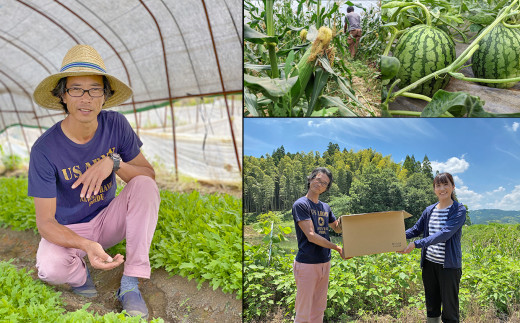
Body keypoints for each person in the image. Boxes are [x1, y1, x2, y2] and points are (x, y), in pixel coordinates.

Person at [29, 44, 160, 319]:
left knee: (144, 186)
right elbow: (46, 223)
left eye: (94, 89)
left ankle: (130, 282)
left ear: (105, 97)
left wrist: (113, 163)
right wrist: (86, 246)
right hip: (69, 230)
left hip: (107, 220)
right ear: (63, 96)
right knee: (50, 268)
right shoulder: (44, 150)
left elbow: (148, 176)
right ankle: (79, 276)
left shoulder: (116, 126)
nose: (85, 98)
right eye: (76, 89)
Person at [399, 172, 466, 323]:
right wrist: (397, 237)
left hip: (449, 267)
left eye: (446, 184)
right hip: (429, 265)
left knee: (450, 309)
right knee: (432, 305)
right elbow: (415, 230)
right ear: (434, 189)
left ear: (453, 187)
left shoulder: (458, 210)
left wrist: (416, 244)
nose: (442, 188)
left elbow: (444, 234)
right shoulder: (429, 210)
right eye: (438, 185)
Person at [292, 167, 347, 323]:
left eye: (324, 183)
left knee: (319, 308)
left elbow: (336, 228)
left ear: (326, 188)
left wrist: (347, 221)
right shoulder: (301, 204)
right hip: (307, 263)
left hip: (324, 262)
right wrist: (337, 247)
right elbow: (311, 236)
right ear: (310, 179)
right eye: (318, 179)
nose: (320, 184)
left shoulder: (325, 207)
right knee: (304, 311)